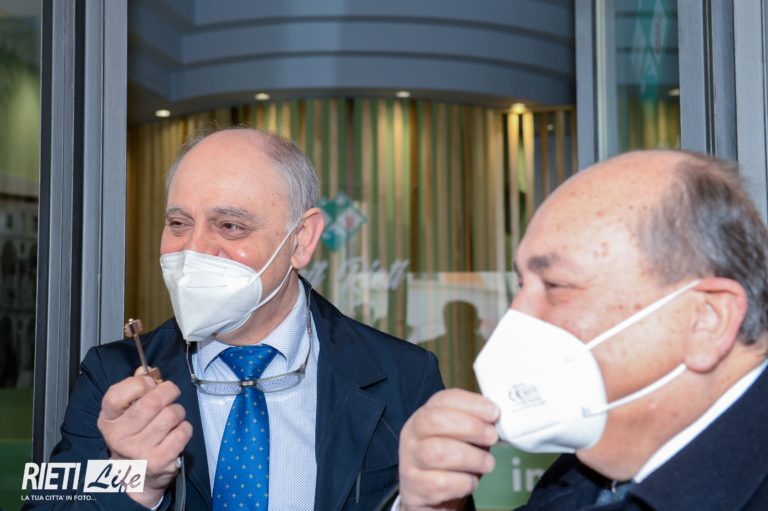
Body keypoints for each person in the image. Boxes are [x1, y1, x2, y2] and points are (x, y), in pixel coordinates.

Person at [29, 127, 443, 510]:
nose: (194, 249)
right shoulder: (113, 376)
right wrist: (132, 485)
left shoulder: (404, 375)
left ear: (301, 240)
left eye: (230, 226)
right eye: (178, 223)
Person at [396, 149, 768, 510]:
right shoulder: (580, 480)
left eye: (556, 285)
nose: (516, 317)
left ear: (706, 318)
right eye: (521, 285)